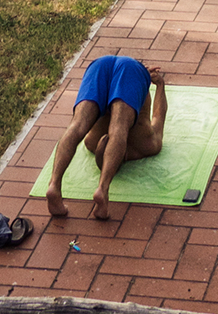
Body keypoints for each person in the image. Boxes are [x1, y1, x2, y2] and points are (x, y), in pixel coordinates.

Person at [46, 55, 167, 221]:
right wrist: (160, 85)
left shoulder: (91, 142)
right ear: (120, 156)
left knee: (77, 125)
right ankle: (102, 189)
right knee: (118, 128)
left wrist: (148, 80)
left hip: (108, 66)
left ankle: (54, 184)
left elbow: (158, 116)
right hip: (110, 66)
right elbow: (159, 116)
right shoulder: (144, 144)